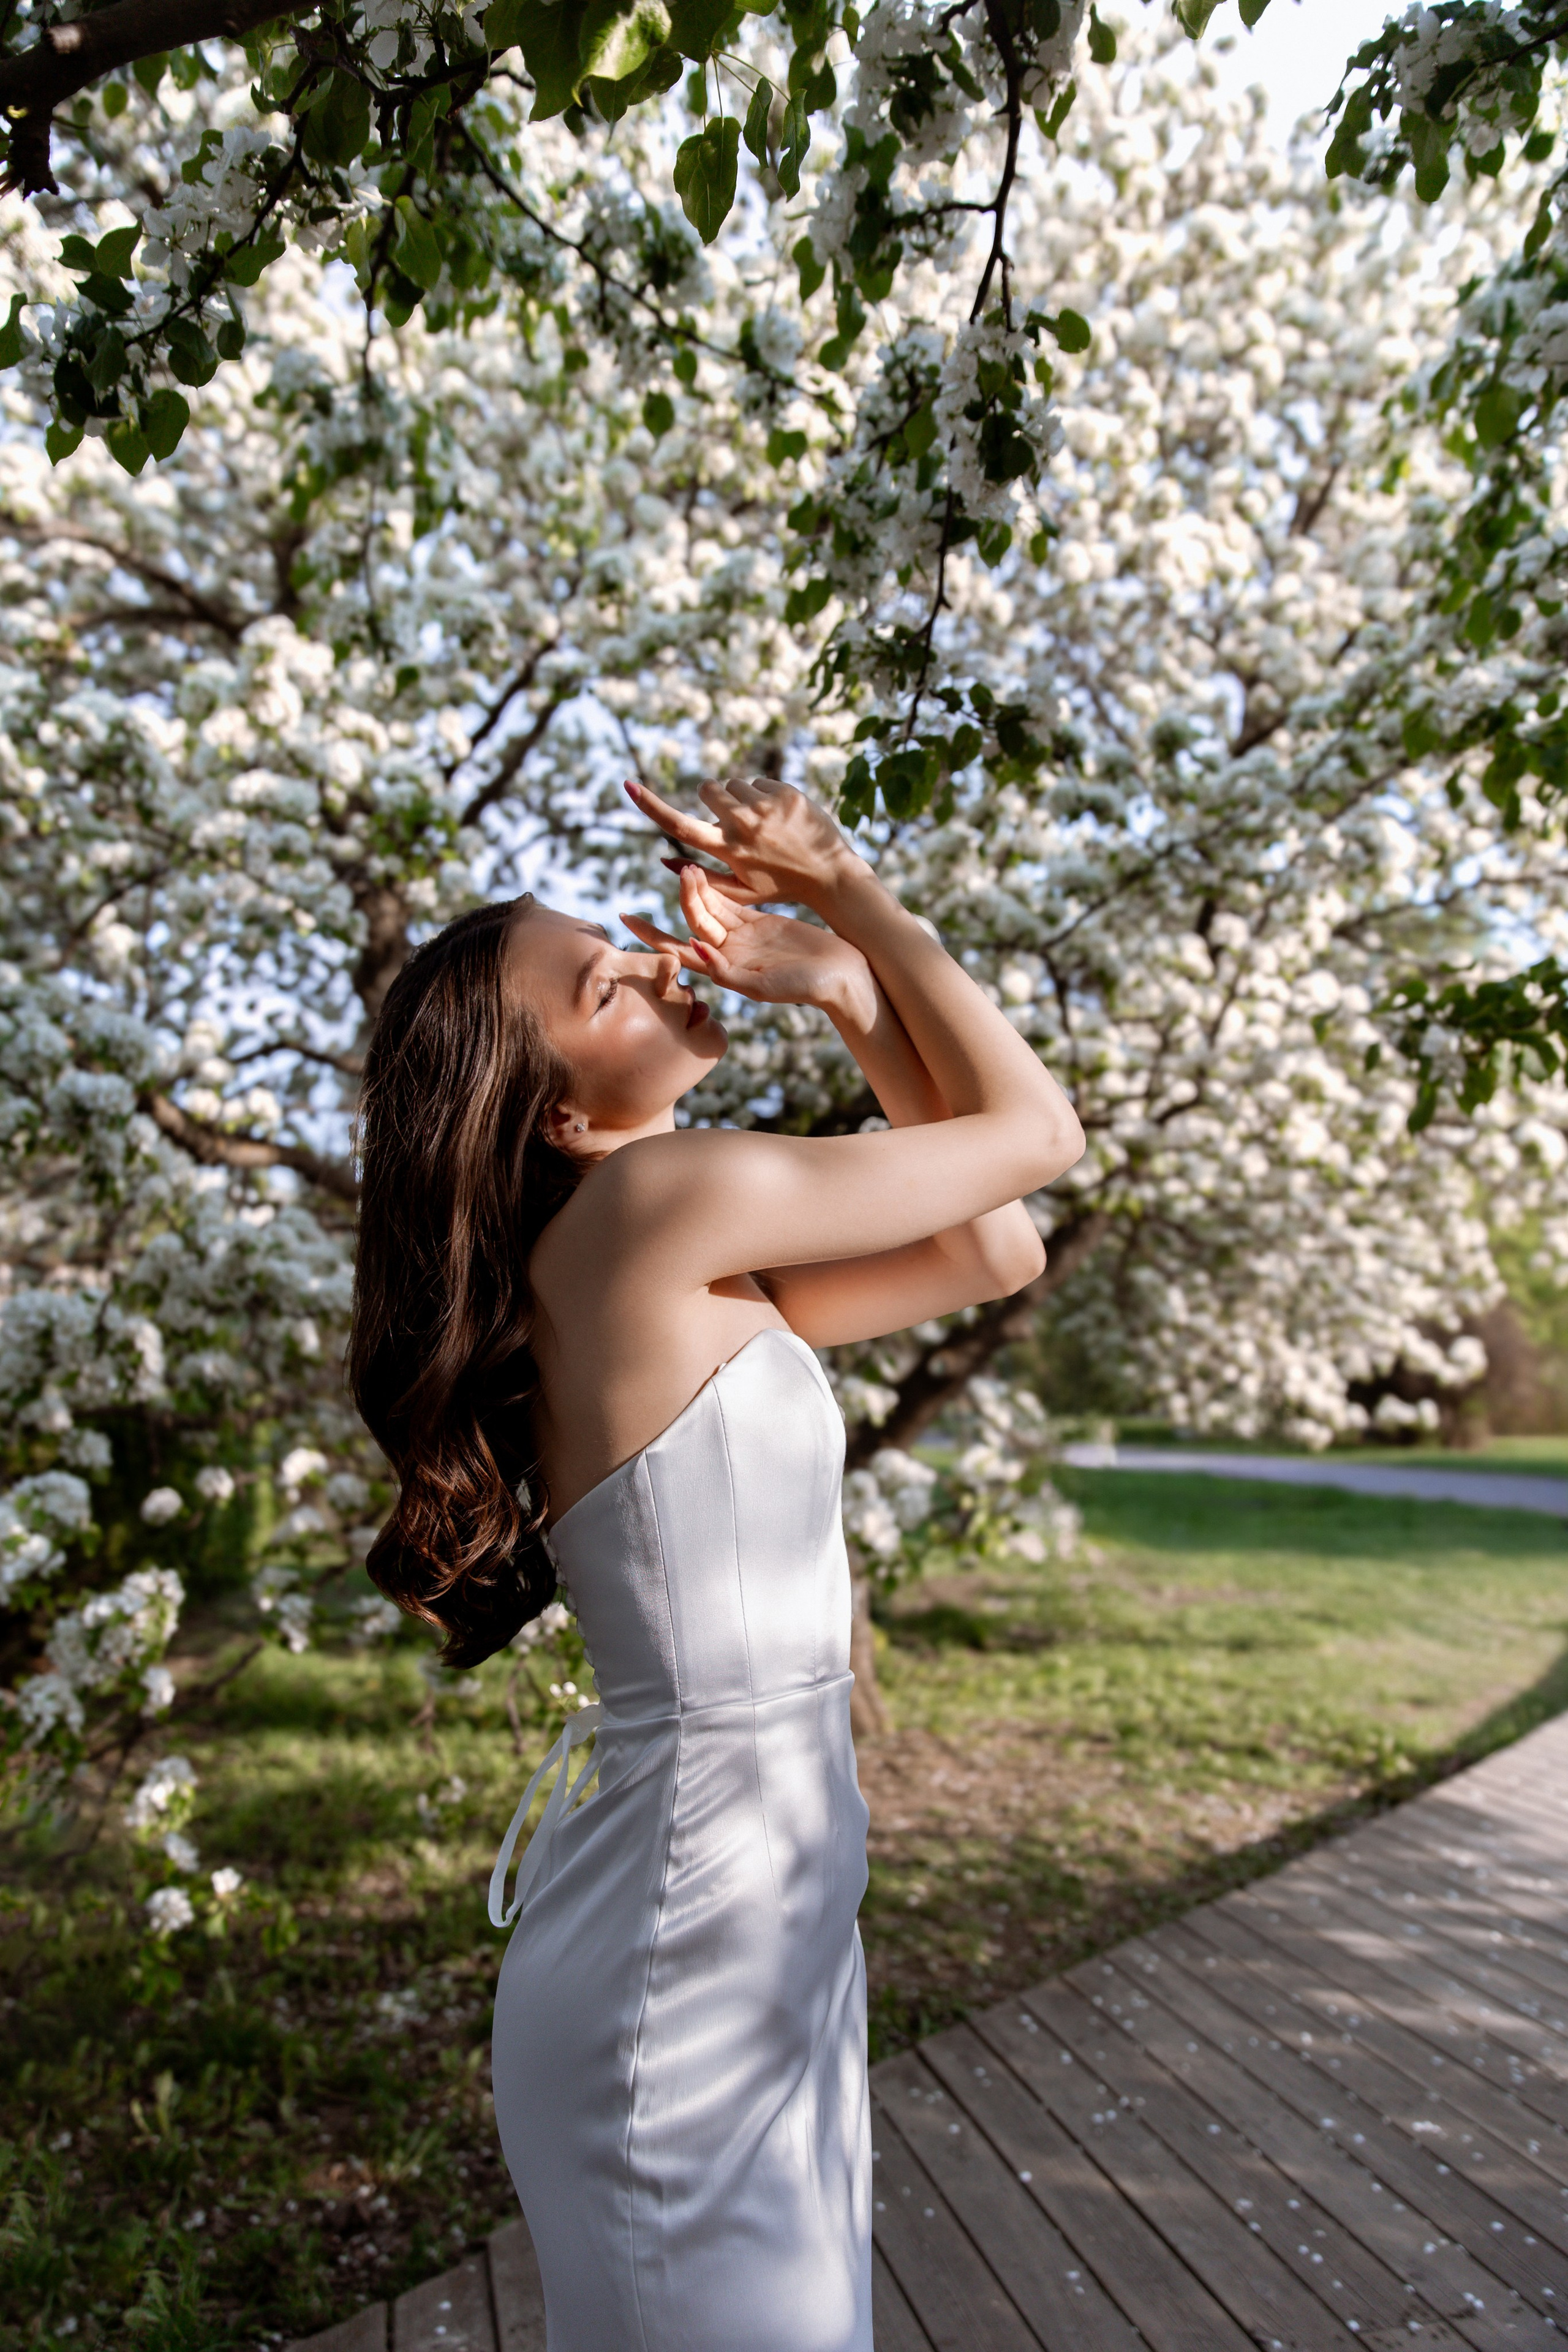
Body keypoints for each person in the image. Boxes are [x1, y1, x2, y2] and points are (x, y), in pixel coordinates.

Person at [349, 777, 1084, 2352]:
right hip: (690, 1940)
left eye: (620, 938)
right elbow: (1038, 1134)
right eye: (598, 983)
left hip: (762, 1904)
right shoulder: (651, 1209)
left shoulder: (675, 1256)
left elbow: (995, 1243)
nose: (649, 957)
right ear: (557, 1112)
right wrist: (848, 894)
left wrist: (835, 988)